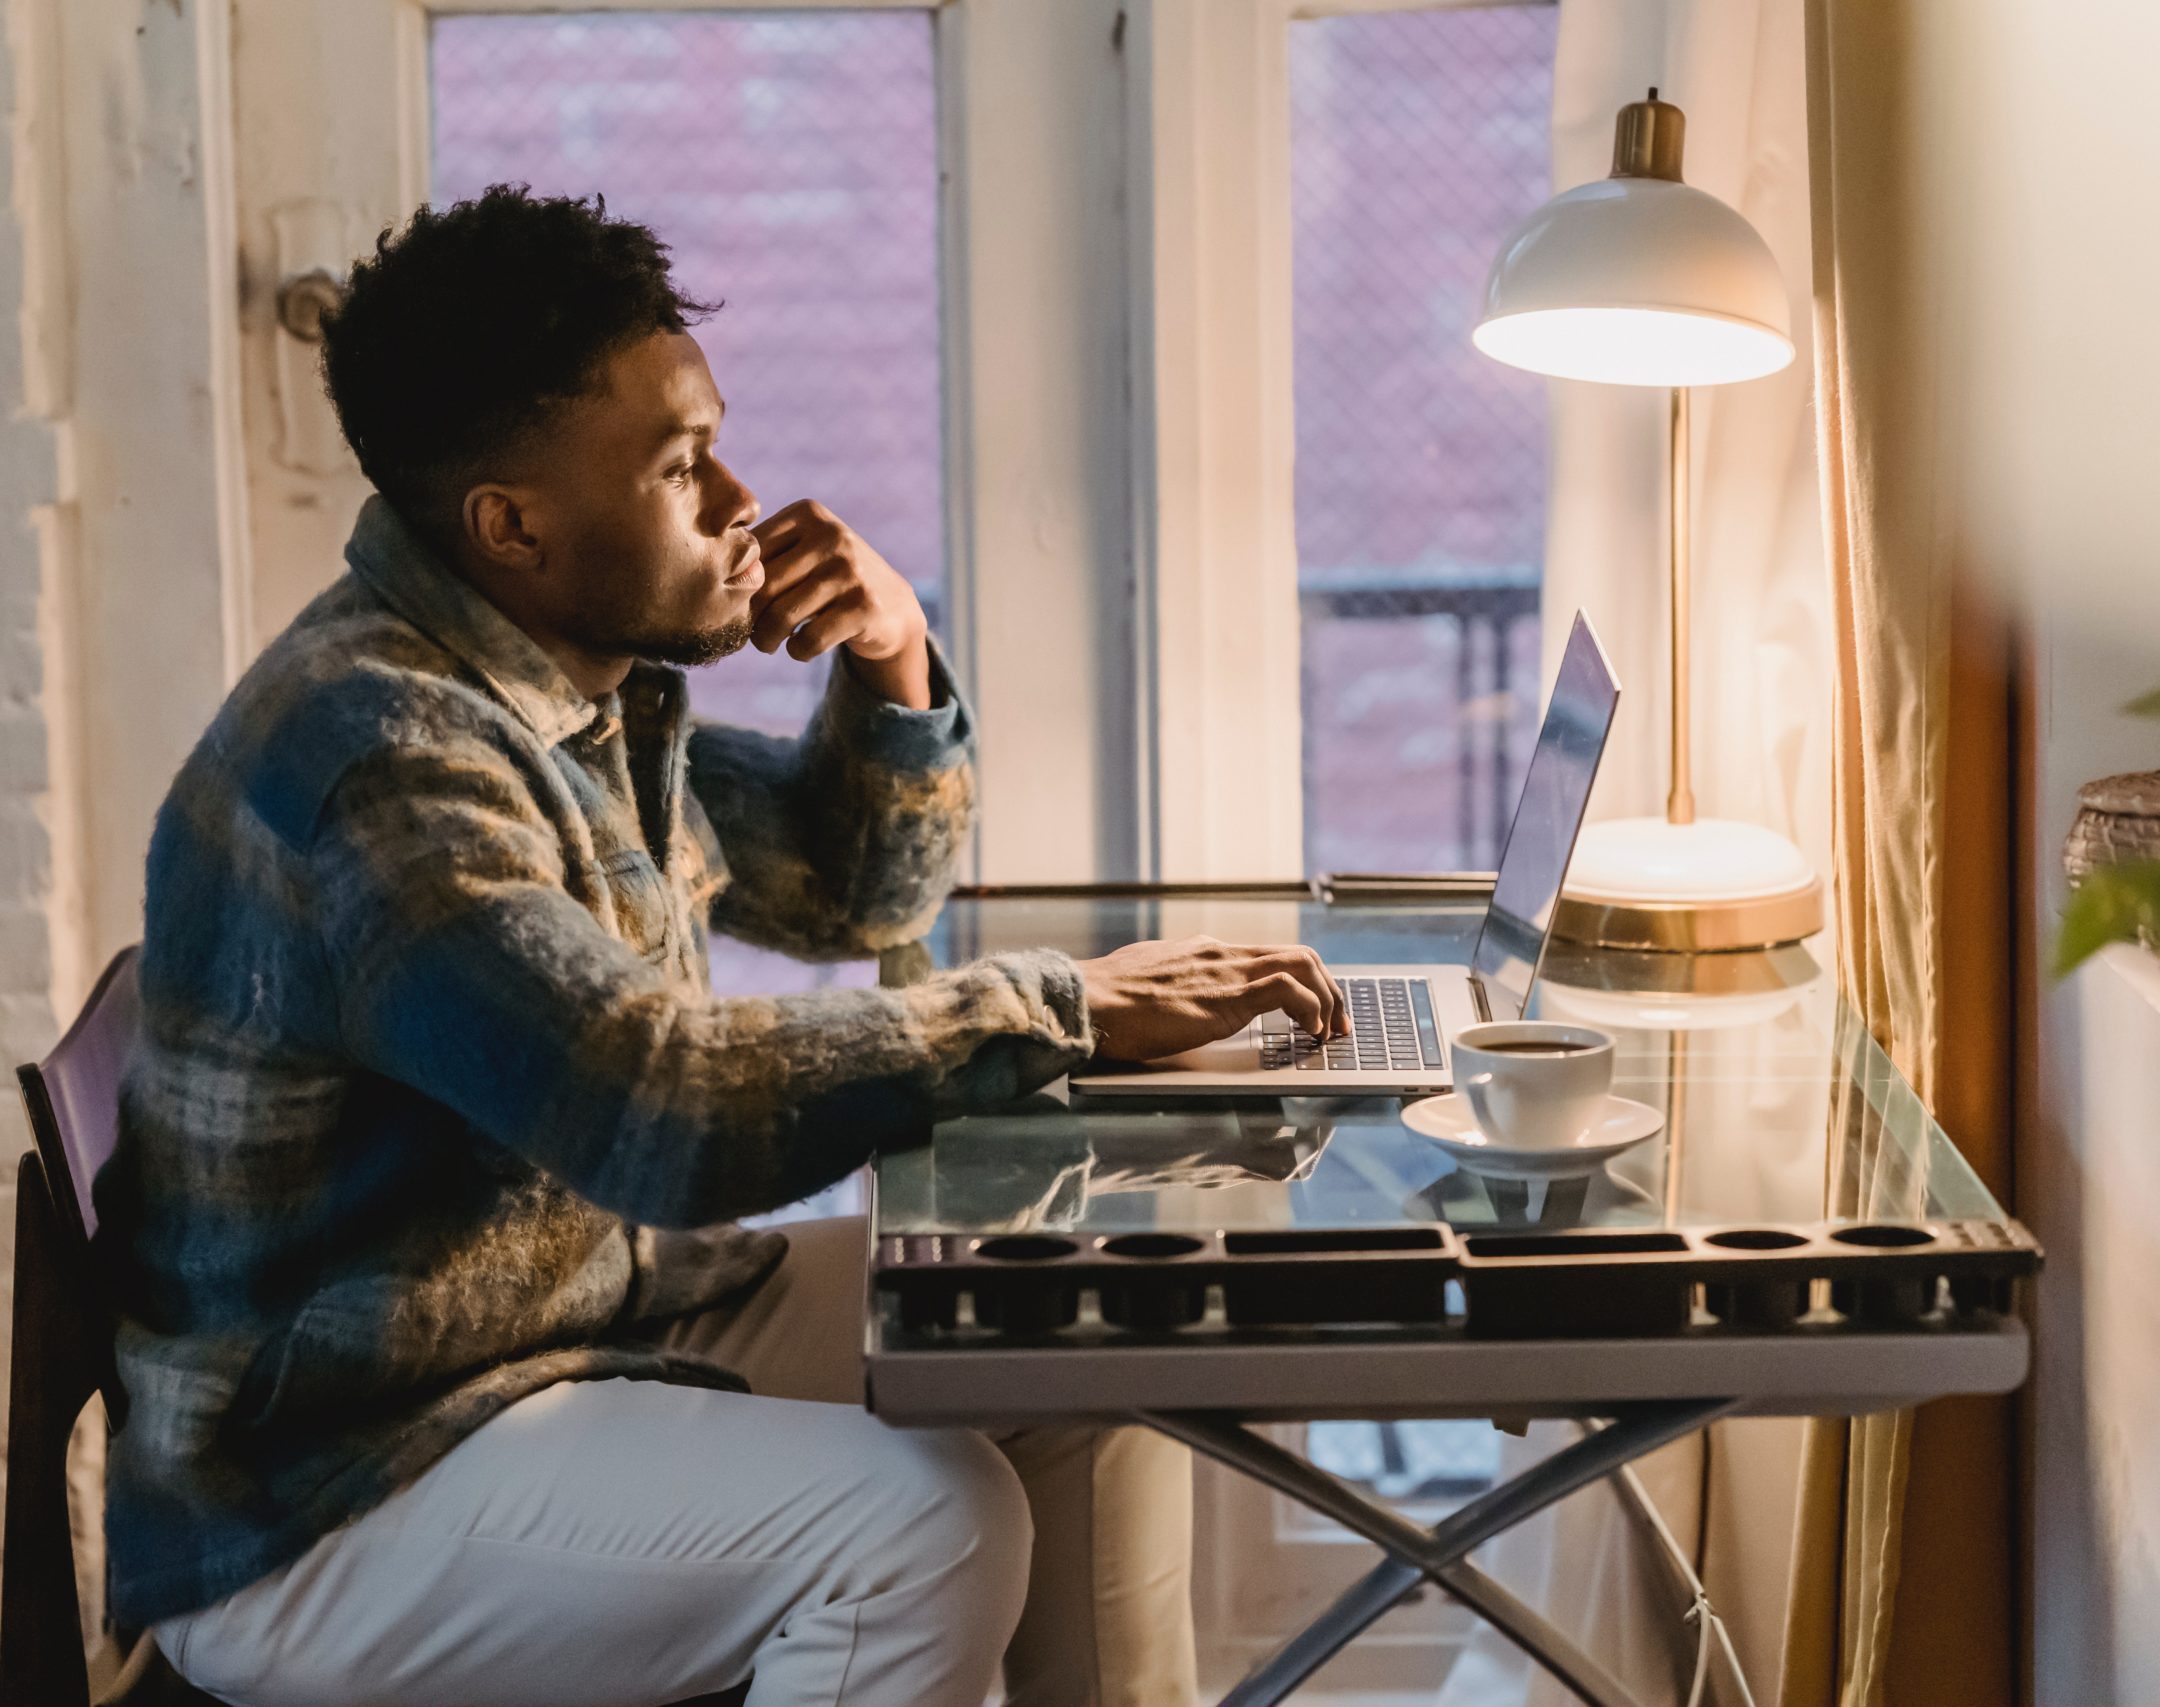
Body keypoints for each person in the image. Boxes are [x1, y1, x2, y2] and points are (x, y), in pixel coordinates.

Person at [99, 185, 1349, 1707]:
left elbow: (846, 897)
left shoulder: (568, 684)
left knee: (1069, 1333)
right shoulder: (386, 762)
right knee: (924, 1529)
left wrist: (891, 651)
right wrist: (1060, 1007)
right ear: (515, 524)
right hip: (334, 1484)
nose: (740, 496)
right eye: (682, 466)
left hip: (568, 1321)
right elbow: (662, 1112)